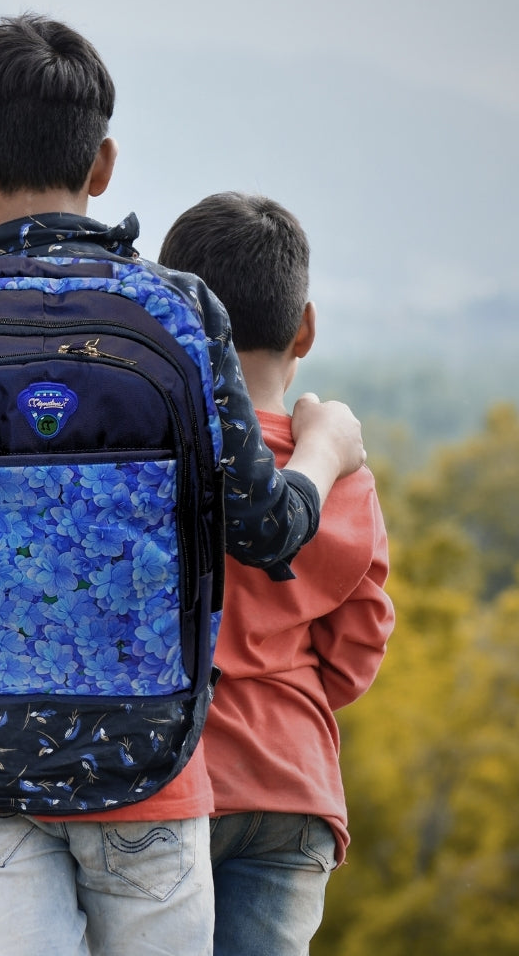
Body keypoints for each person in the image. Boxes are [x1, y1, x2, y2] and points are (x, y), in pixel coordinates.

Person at [0, 15, 367, 956]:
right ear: (103, 164)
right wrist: (329, 449)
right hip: (147, 762)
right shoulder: (180, 314)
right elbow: (264, 531)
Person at [159, 192, 395, 956]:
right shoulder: (341, 473)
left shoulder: (157, 462)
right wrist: (284, 691)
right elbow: (360, 642)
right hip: (295, 788)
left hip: (171, 782)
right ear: (306, 328)